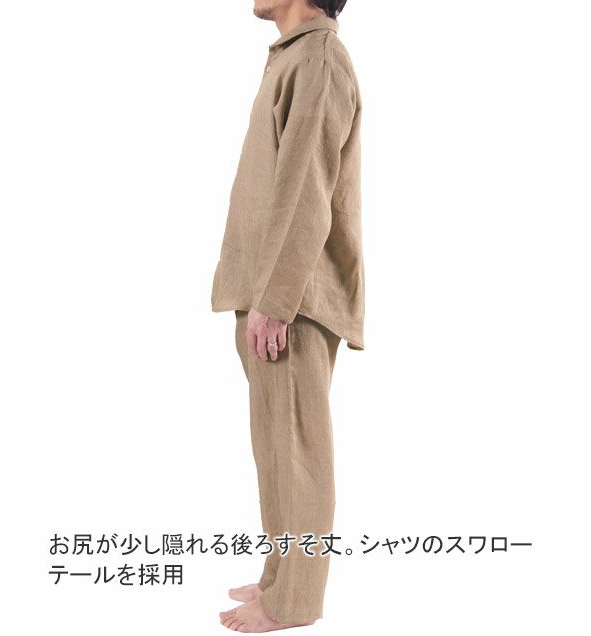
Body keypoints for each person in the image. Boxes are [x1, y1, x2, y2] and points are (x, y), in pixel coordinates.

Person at [211, 0, 364, 631]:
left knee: (298, 453)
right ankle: (281, 576)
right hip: (270, 295)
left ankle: (297, 601)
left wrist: (275, 301)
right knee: (276, 450)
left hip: (291, 299)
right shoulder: (294, 58)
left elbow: (306, 189)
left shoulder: (320, 60)